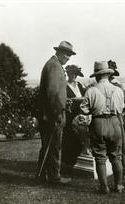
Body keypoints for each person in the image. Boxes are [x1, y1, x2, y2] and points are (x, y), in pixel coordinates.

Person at [80, 61, 125, 194]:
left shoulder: (91, 91)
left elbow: (84, 109)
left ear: (97, 76)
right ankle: (118, 185)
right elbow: (121, 108)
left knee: (100, 157)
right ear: (108, 75)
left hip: (98, 123)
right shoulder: (118, 90)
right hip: (114, 122)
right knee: (116, 156)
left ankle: (103, 187)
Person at [36, 41, 76, 184]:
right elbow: (53, 93)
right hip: (52, 115)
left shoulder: (54, 65)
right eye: (66, 54)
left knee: (48, 145)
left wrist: (64, 102)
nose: (68, 57)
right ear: (58, 52)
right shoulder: (54, 66)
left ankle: (42, 176)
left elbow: (55, 93)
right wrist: (58, 113)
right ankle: (54, 177)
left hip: (50, 113)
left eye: (70, 54)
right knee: (53, 146)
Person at [61, 65, 86, 170]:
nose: (73, 76)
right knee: (69, 135)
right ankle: (68, 161)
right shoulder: (64, 86)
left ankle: (78, 158)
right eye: (71, 74)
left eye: (75, 74)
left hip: (79, 113)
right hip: (69, 113)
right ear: (68, 74)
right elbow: (62, 98)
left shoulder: (80, 85)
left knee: (79, 135)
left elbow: (86, 96)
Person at [108, 60, 125, 170]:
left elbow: (122, 103)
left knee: (119, 139)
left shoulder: (118, 85)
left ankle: (121, 162)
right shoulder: (105, 84)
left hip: (116, 114)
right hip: (110, 114)